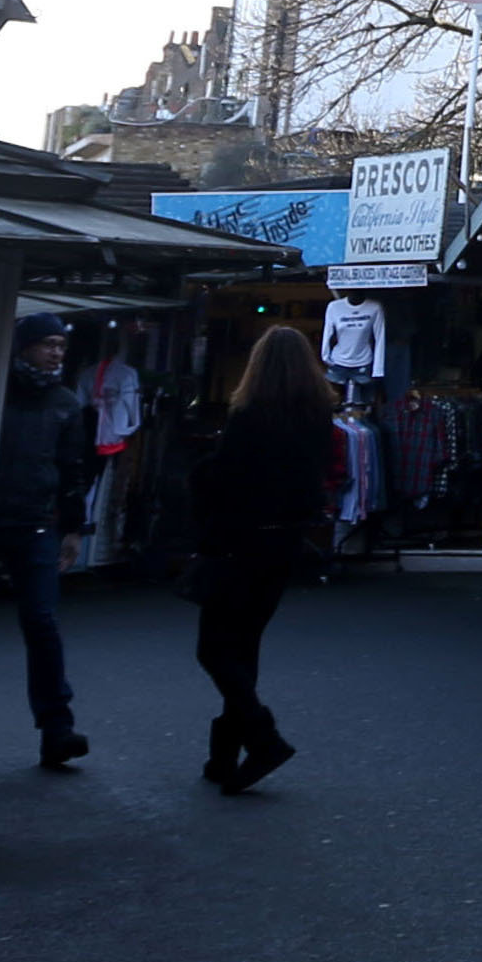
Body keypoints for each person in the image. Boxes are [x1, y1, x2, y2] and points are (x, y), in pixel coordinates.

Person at [189, 324, 331, 794]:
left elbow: (223, 479)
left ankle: (262, 735)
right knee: (245, 643)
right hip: (283, 543)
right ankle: (224, 755)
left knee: (214, 647)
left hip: (240, 541)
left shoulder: (249, 417)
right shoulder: (317, 417)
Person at [0, 320, 99, 772]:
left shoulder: (65, 403)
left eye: (61, 346)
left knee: (42, 621)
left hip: (35, 521)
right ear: (25, 348)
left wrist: (73, 528)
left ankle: (57, 727)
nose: (56, 354)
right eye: (47, 345)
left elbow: (73, 468)